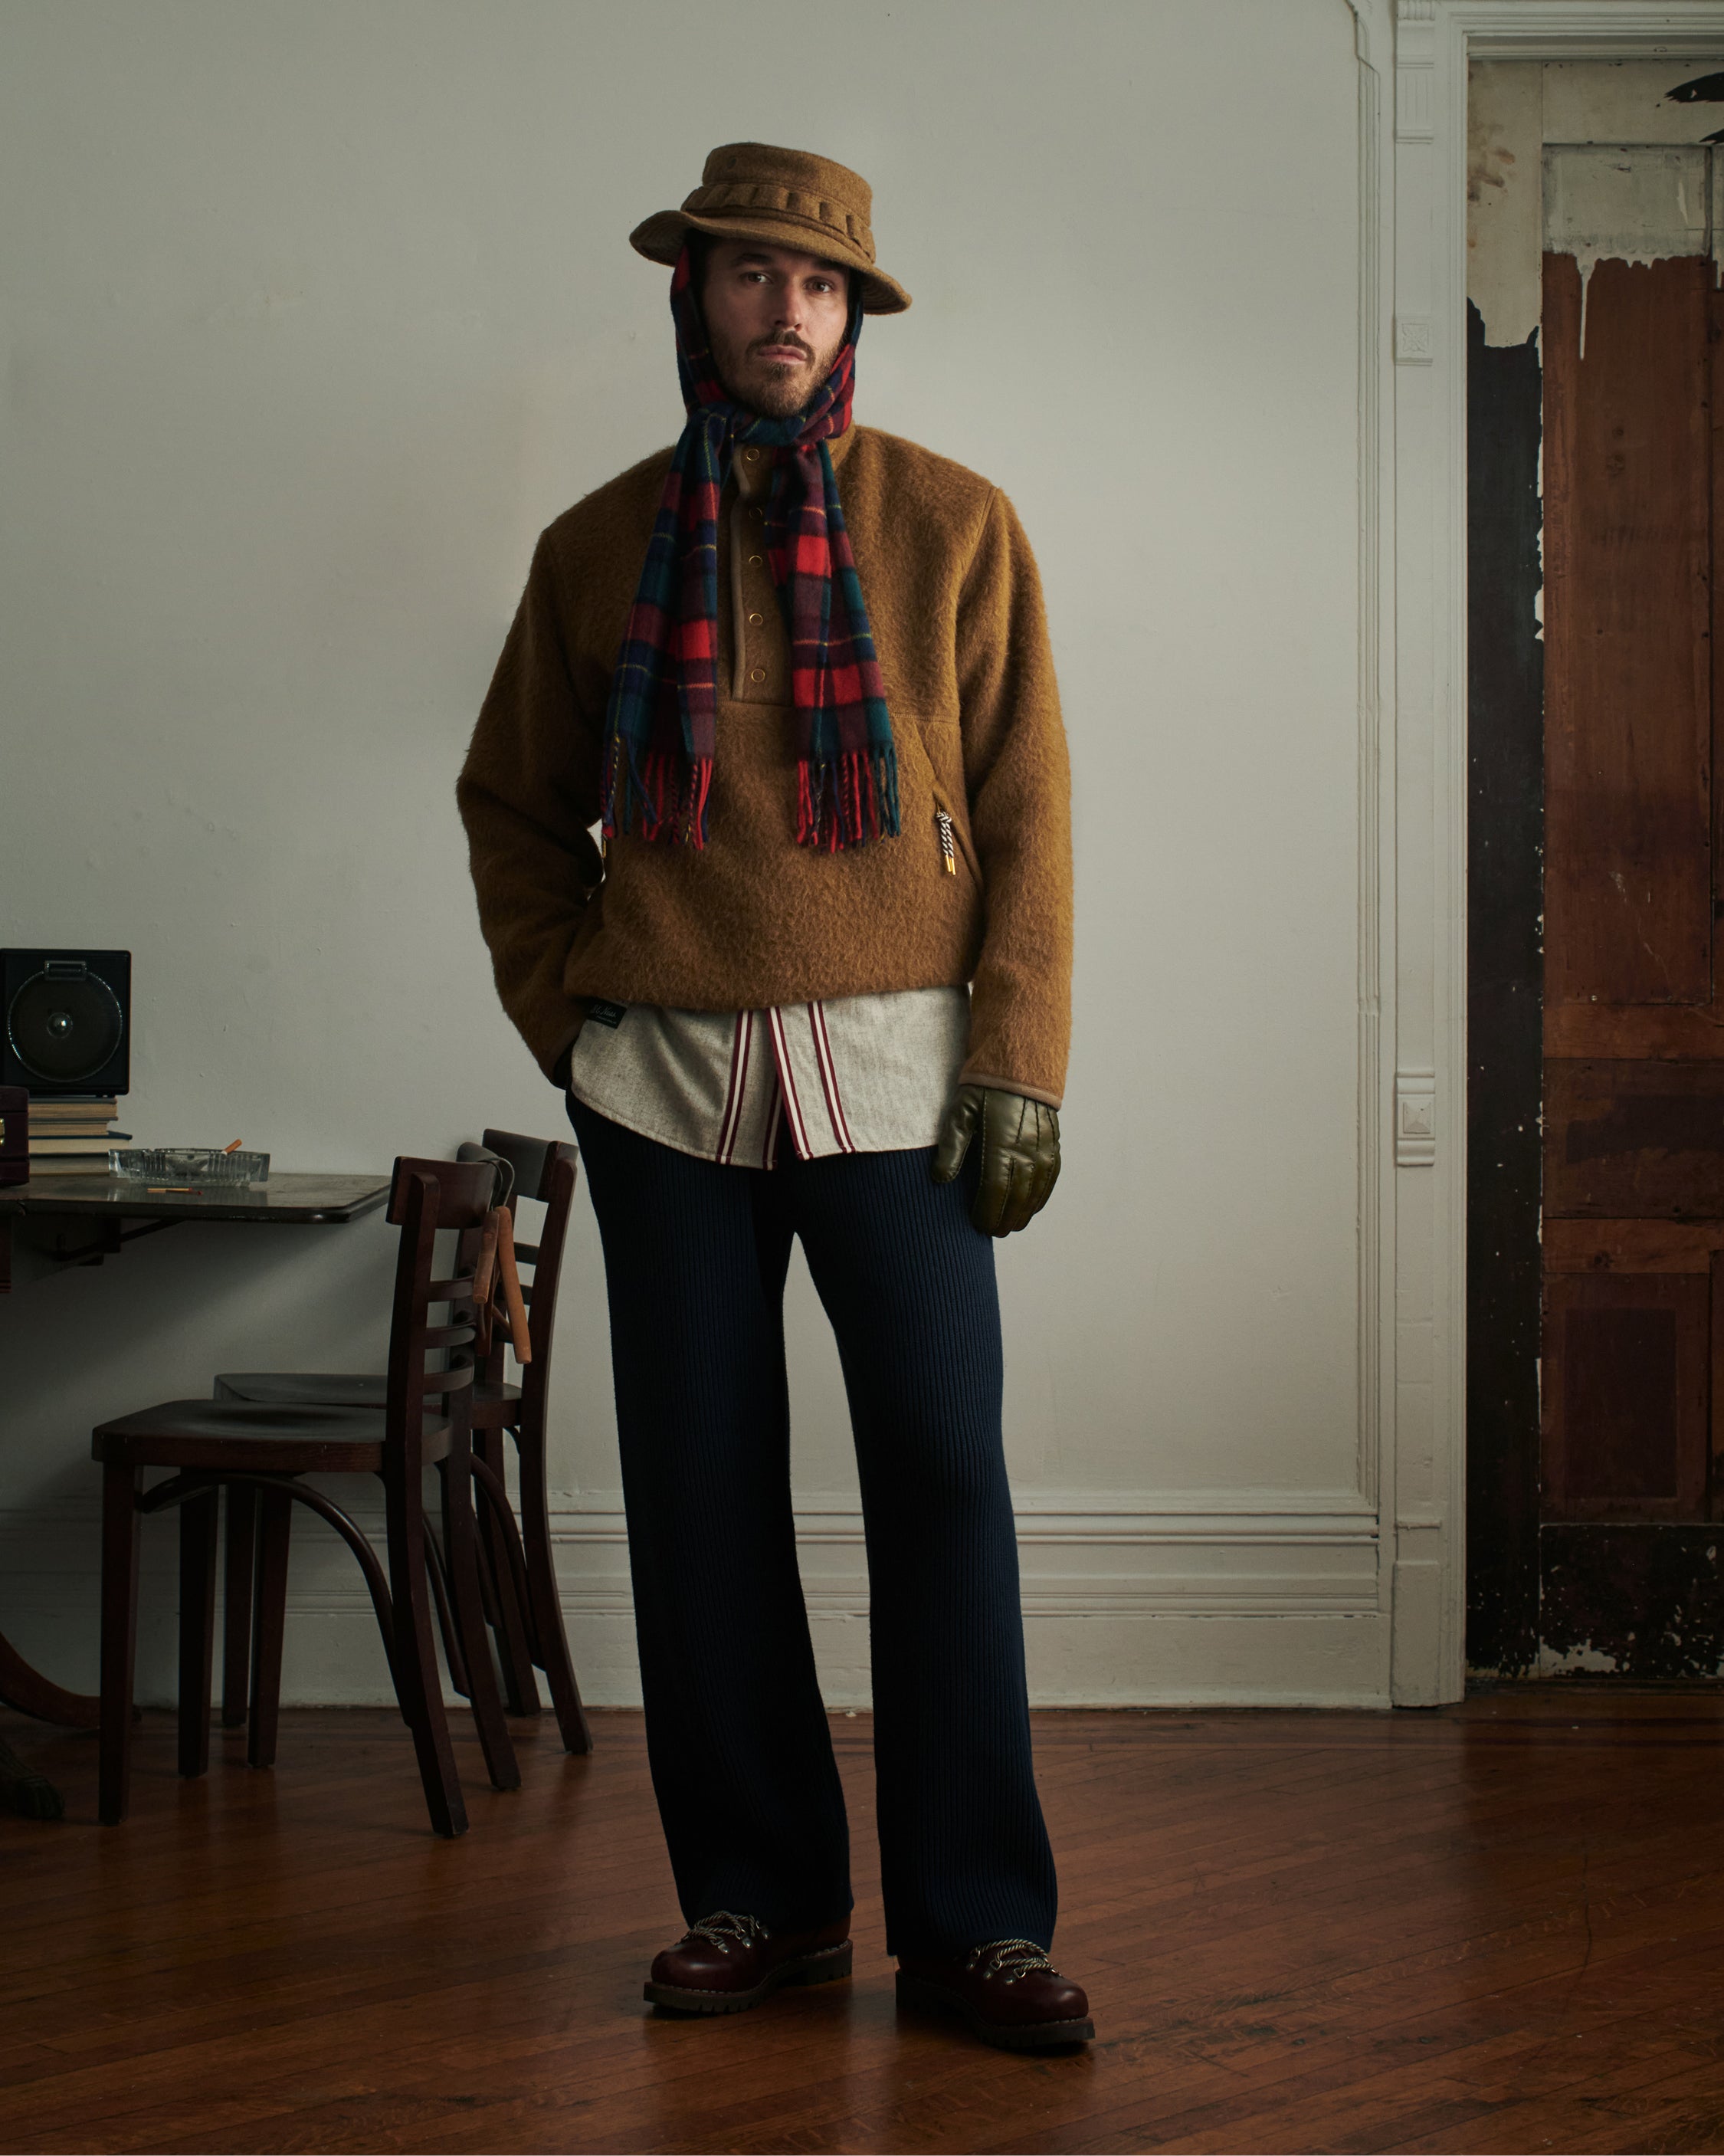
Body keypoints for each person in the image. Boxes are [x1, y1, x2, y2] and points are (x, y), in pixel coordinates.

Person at [457, 141, 1083, 2053]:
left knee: (944, 1484)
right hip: (664, 1085)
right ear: (695, 295)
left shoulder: (956, 524)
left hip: (903, 1086)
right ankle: (763, 1897)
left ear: (854, 312)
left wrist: (1021, 1061)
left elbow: (1034, 811)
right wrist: (568, 1021)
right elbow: (509, 804)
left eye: (818, 282)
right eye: (749, 273)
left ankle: (977, 1926)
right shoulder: (592, 547)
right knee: (699, 1495)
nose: (783, 308)